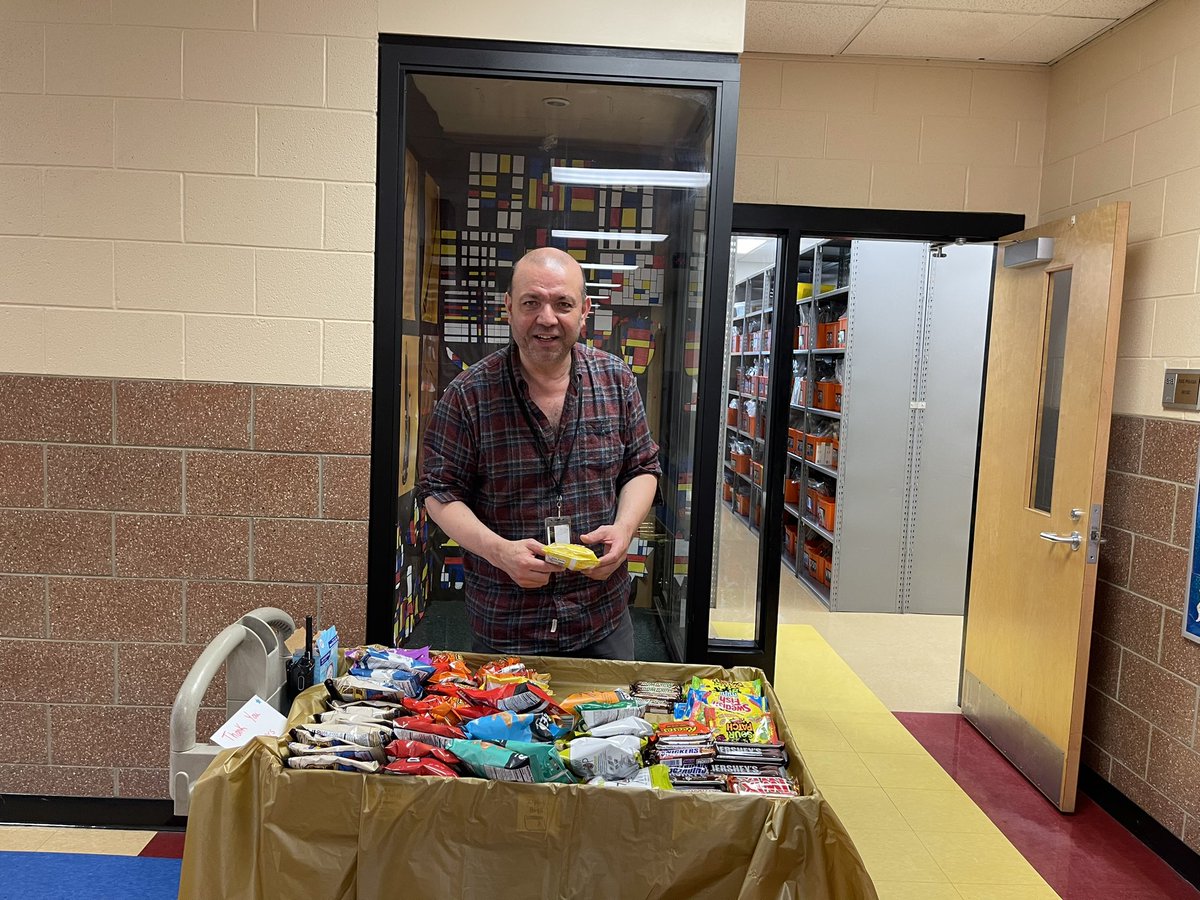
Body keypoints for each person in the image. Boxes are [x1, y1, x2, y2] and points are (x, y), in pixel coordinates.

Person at [416, 247, 660, 660]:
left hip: (601, 616)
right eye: (532, 302)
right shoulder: (468, 394)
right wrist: (499, 551)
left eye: (562, 304)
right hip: (507, 620)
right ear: (509, 308)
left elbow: (642, 468)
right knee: (506, 724)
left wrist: (625, 528)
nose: (547, 318)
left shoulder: (617, 381)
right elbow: (438, 492)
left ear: (583, 312)